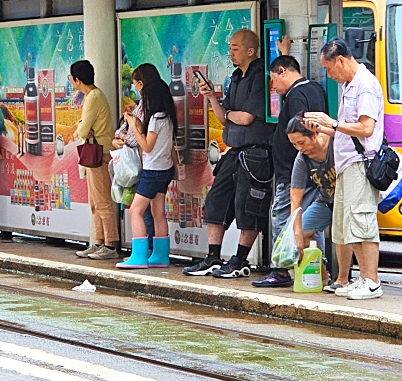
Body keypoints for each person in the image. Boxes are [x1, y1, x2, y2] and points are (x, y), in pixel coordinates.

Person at [183, 29, 273, 279]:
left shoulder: (260, 77)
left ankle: (241, 259)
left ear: (250, 50)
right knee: (216, 201)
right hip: (234, 151)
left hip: (256, 154)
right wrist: (211, 96)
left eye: (235, 47)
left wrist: (233, 113)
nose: (230, 52)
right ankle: (213, 256)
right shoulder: (236, 77)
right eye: (230, 47)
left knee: (248, 206)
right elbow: (225, 118)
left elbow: (245, 118)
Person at [302, 37, 385, 300]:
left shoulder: (365, 85)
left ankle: (372, 280)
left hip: (360, 164)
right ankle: (362, 278)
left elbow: (366, 128)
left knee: (362, 222)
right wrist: (323, 127)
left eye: (328, 68)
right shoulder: (350, 85)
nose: (329, 74)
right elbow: (347, 129)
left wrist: (333, 124)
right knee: (349, 224)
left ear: (340, 60)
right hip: (346, 165)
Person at [252, 50, 328, 288]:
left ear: (282, 72)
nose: (273, 86)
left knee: (283, 215)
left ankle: (281, 269)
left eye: (273, 79)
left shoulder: (296, 96)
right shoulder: (314, 88)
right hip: (314, 169)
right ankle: (318, 269)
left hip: (294, 170)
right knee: (310, 222)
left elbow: (300, 131)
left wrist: (296, 162)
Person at [117, 70, 177, 268]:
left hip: (153, 171)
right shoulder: (168, 117)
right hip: (165, 169)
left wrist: (134, 126)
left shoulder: (156, 119)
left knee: (135, 210)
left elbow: (147, 146)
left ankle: (139, 256)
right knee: (158, 211)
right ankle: (160, 255)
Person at [69, 60, 118, 260]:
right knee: (94, 201)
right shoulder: (93, 96)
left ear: (77, 80)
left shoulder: (93, 98)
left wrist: (82, 125)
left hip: (98, 153)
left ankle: (110, 244)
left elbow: (81, 130)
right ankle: (98, 241)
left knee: (102, 201)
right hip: (95, 152)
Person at [113, 63, 163, 250]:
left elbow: (140, 137)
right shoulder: (142, 104)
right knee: (153, 211)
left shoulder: (153, 108)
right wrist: (119, 138)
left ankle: (144, 251)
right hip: (147, 163)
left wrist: (126, 137)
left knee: (140, 210)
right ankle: (154, 252)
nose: (134, 87)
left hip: (148, 163)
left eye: (135, 83)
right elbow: (125, 128)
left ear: (141, 83)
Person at [284, 116, 336, 262]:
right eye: (294, 145)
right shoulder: (302, 159)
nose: (299, 148)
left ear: (314, 134)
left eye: (301, 142)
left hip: (347, 201)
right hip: (326, 200)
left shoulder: (335, 144)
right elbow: (295, 199)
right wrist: (297, 234)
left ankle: (343, 279)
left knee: (342, 236)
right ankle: (323, 276)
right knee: (303, 232)